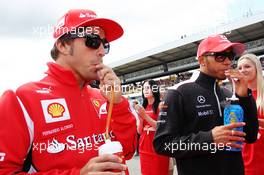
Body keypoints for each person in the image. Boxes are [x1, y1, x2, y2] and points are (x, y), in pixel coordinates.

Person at [0, 9, 137, 174]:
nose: (101, 51)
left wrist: (117, 104)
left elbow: (128, 151)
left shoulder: (103, 98)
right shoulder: (22, 99)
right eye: (92, 41)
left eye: (105, 45)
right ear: (63, 45)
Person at [153, 34, 259, 175]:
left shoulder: (228, 94)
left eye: (231, 55)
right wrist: (209, 139)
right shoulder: (178, 92)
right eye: (220, 56)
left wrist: (244, 97)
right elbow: (162, 144)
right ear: (202, 60)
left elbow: (250, 136)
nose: (228, 61)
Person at [134, 80, 169, 175]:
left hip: (157, 145)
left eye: (147, 88)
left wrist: (144, 116)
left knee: (159, 171)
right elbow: (139, 131)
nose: (145, 90)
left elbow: (162, 126)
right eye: (143, 88)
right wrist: (140, 119)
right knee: (146, 171)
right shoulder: (143, 107)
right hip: (144, 146)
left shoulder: (161, 105)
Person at [237, 53, 264, 175]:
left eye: (247, 66)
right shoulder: (234, 99)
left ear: (257, 68)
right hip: (244, 159)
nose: (243, 70)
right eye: (240, 68)